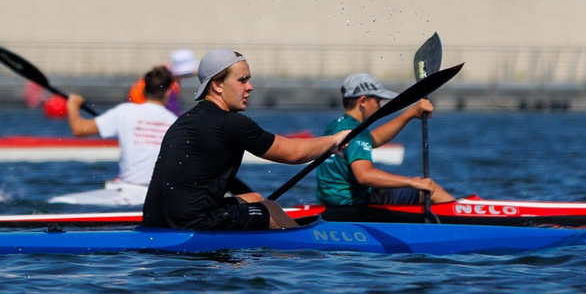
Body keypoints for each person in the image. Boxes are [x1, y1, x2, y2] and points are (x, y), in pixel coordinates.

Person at [138, 49, 353, 232]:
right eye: (242, 80)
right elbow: (293, 153)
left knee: (256, 199)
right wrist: (333, 140)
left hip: (155, 221)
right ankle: (305, 251)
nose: (250, 87)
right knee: (271, 210)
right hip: (192, 224)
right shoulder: (231, 123)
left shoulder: (183, 121)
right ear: (217, 85)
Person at [315, 73, 454, 218]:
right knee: (430, 188)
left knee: (417, 185)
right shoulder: (357, 133)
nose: (379, 106)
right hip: (355, 204)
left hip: (330, 203)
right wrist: (412, 182)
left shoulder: (336, 127)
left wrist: (410, 114)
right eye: (377, 101)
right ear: (363, 101)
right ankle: (466, 219)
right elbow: (364, 176)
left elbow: (374, 139)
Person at [61, 65, 176, 206]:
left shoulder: (125, 111)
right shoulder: (175, 121)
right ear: (168, 92)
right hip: (159, 194)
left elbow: (79, 129)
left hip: (127, 188)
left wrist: (73, 105)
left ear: (143, 89)